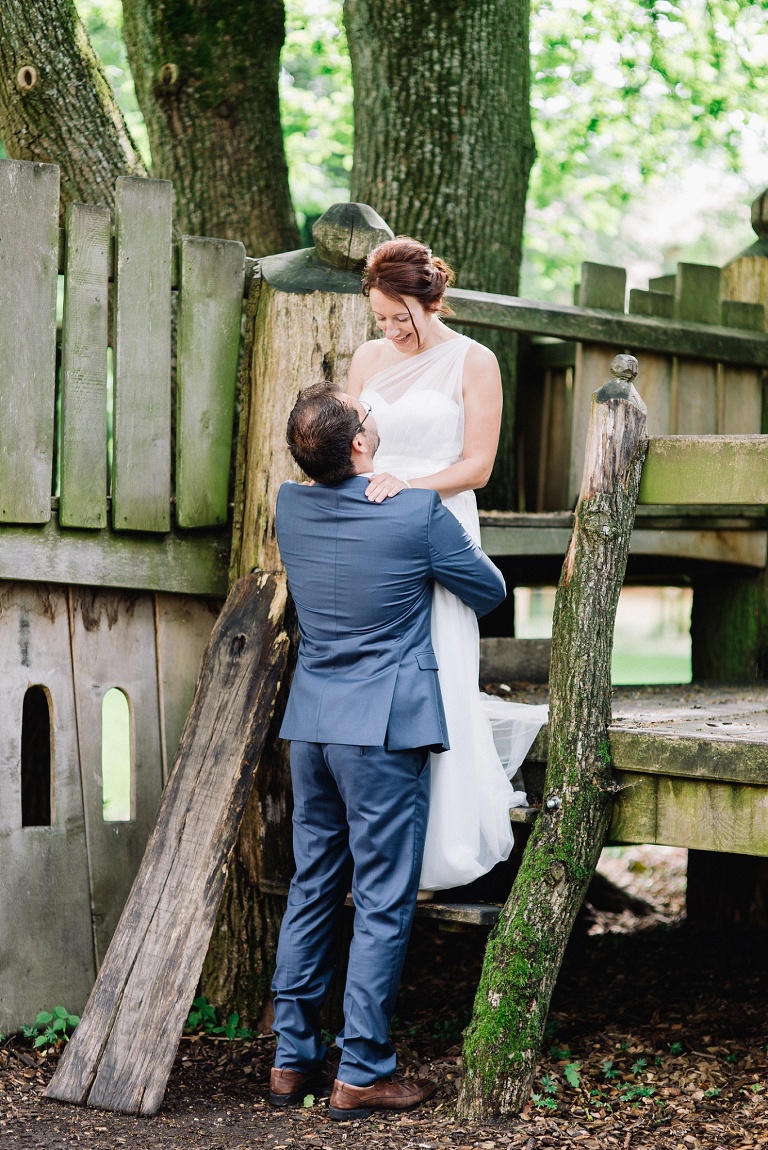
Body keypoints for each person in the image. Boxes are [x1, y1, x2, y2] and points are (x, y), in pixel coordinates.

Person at [269, 382, 506, 1121]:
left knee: (312, 885)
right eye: (368, 417)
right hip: (381, 734)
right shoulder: (411, 510)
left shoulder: (289, 504)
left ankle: (291, 1060)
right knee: (379, 901)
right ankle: (362, 1070)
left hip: (309, 729)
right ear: (363, 446)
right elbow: (488, 588)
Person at [346, 237, 548, 892]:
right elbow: (352, 446)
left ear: (430, 301)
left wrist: (407, 486)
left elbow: (477, 466)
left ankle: (446, 844)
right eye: (380, 319)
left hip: (439, 525)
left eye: (400, 318)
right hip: (375, 531)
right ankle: (381, 836)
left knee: (438, 666)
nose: (390, 331)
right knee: (380, 676)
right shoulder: (367, 360)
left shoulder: (474, 361)